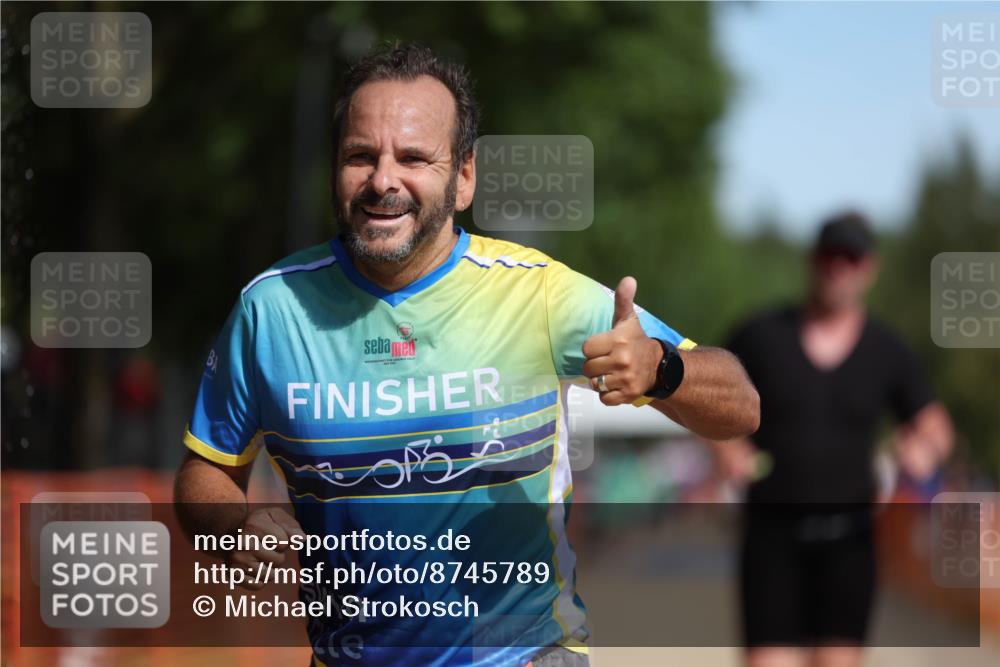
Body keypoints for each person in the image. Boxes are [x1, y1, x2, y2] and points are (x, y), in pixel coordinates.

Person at [174, 42, 759, 667]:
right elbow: (205, 473)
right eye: (360, 156)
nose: (383, 181)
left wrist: (662, 369)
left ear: (465, 177)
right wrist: (233, 529)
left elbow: (741, 405)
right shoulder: (272, 310)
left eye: (414, 158)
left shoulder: (537, 292)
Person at [708, 212, 954, 667]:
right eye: (830, 255)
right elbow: (705, 402)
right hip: (772, 537)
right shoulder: (760, 336)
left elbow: (936, 427)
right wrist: (726, 448)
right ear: (812, 260)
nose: (838, 267)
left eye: (851, 257)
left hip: (851, 541)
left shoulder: (889, 350)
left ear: (869, 268)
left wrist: (926, 449)